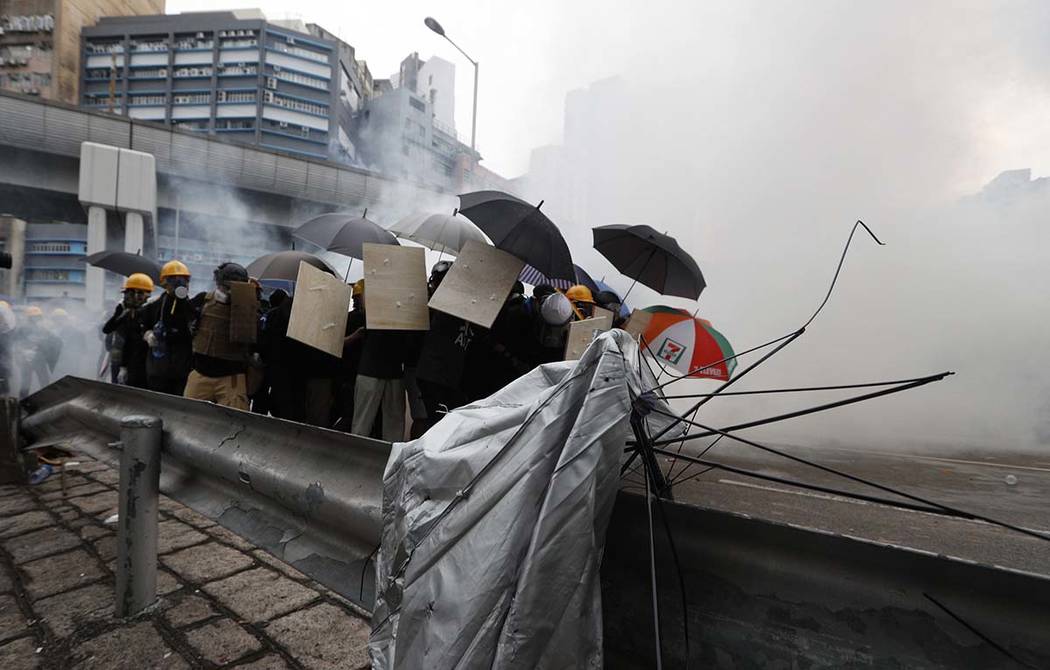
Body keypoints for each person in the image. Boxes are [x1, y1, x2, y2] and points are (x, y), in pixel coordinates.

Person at [182, 262, 255, 410]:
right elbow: (182, 319)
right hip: (201, 372)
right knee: (189, 417)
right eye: (226, 287)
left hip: (231, 377)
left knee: (235, 423)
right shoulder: (204, 300)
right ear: (218, 283)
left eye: (234, 288)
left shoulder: (249, 309)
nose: (229, 292)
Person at [413, 263, 475, 435]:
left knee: (443, 421)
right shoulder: (437, 307)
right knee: (437, 421)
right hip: (434, 373)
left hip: (449, 375)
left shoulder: (465, 306)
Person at [351, 282, 415, 441]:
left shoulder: (404, 306)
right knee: (368, 424)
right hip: (378, 370)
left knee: (371, 424)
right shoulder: (376, 302)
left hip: (383, 370)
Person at [141, 260, 195, 395]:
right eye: (174, 280)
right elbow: (141, 326)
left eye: (183, 280)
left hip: (182, 371)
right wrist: (148, 335)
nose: (179, 284)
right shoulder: (154, 306)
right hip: (158, 370)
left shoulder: (191, 307)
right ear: (164, 283)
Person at [101, 273, 154, 388]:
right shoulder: (127, 314)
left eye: (139, 293)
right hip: (128, 362)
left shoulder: (151, 312)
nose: (132, 297)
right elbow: (107, 329)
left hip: (146, 366)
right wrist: (118, 313)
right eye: (129, 293)